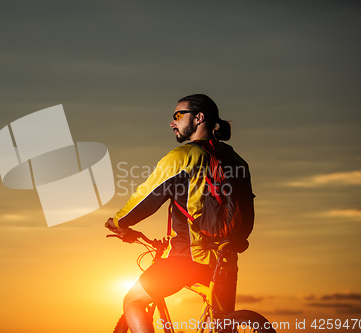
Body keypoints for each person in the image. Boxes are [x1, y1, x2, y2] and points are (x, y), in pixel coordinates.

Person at [106, 94, 253, 333]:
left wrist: (120, 222)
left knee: (132, 302)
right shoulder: (237, 160)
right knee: (224, 325)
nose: (172, 123)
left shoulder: (183, 157)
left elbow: (146, 198)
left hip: (188, 259)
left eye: (177, 116)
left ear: (199, 117)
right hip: (226, 260)